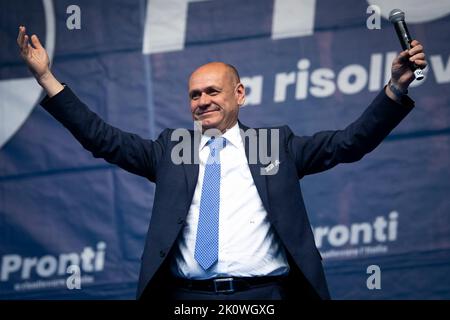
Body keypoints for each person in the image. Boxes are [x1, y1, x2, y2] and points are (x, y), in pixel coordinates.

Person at [16, 25, 427, 300]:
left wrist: (394, 88)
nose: (203, 101)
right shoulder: (170, 148)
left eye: (213, 91)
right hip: (187, 300)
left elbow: (350, 143)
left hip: (265, 297)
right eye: (194, 95)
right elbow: (101, 138)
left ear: (239, 94)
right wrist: (47, 79)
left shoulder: (275, 144)